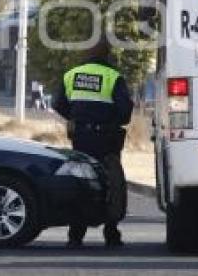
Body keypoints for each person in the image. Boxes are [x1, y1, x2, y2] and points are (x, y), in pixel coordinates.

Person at [52, 37, 134, 248]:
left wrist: (76, 117)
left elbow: (58, 103)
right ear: (108, 54)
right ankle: (111, 233)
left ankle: (75, 235)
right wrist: (110, 121)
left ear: (86, 53)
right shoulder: (113, 76)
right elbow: (125, 112)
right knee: (111, 183)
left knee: (81, 181)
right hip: (107, 140)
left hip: (81, 138)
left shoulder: (72, 75)